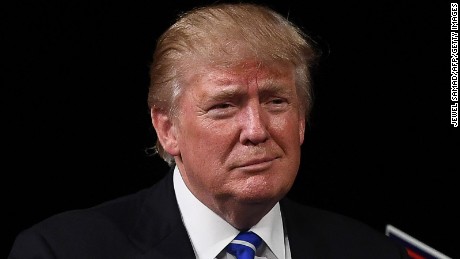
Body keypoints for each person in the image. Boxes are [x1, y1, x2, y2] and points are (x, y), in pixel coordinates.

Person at [8, 2, 409, 259]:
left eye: (276, 102)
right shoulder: (60, 251)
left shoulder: (368, 250)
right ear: (167, 129)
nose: (256, 131)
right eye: (223, 106)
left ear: (302, 120)